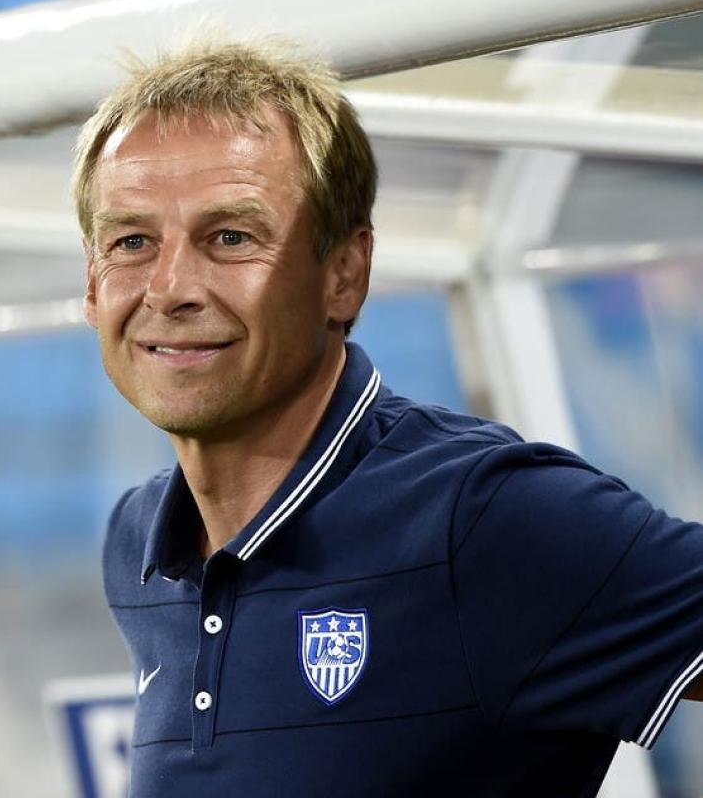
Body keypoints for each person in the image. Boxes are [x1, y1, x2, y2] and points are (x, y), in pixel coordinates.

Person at [73, 39, 703, 796]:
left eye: (231, 237)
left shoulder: (481, 516)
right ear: (92, 286)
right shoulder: (137, 541)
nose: (170, 287)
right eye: (132, 241)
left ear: (343, 274)